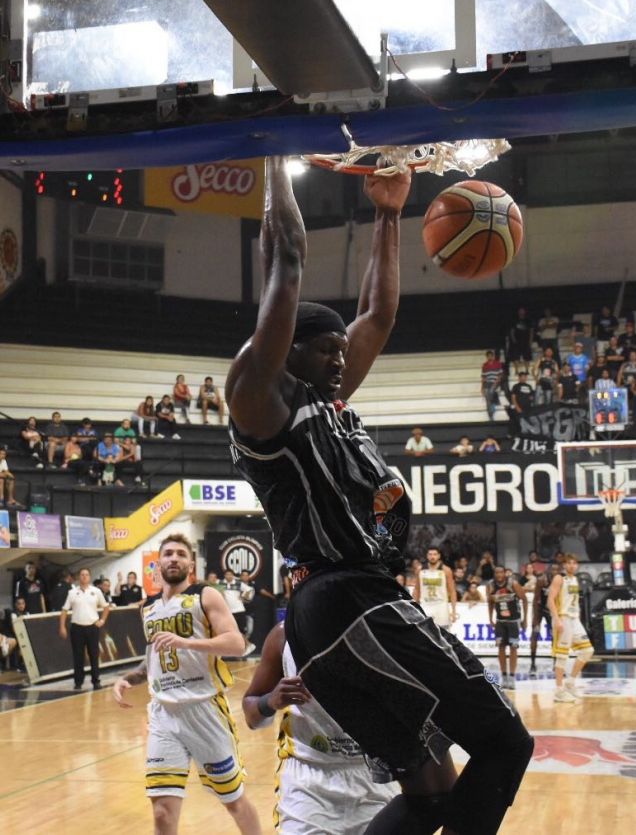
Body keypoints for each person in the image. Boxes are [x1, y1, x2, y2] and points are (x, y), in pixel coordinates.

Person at [226, 157, 531, 834]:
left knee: (431, 793)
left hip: (345, 605)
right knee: (506, 742)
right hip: (346, 598)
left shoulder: (329, 402)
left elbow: (379, 313)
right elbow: (286, 257)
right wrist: (276, 153)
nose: (341, 360)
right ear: (285, 351)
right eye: (326, 351)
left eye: (343, 351)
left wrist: (390, 213)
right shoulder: (262, 402)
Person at [111, 535, 262, 835]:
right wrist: (129, 678)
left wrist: (186, 642)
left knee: (233, 801)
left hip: (204, 710)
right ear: (159, 562)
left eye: (181, 554)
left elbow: (236, 643)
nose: (174, 558)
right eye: (168, 553)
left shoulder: (205, 595)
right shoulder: (148, 607)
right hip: (163, 714)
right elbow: (153, 657)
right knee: (162, 812)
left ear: (191, 564)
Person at [243, 623, 397, 834]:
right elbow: (251, 716)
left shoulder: (382, 627)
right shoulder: (283, 635)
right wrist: (269, 701)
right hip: (308, 776)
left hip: (374, 773)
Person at [548, 554, 593, 703]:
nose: (572, 565)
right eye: (569, 563)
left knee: (587, 650)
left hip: (574, 619)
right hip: (563, 618)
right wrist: (557, 619)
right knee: (562, 656)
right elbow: (550, 600)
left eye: (574, 563)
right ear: (564, 565)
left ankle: (570, 682)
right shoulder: (559, 578)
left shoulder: (575, 579)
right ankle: (558, 691)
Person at [59, 568, 110, 689]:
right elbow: (64, 610)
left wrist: (102, 620)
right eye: (82, 574)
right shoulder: (72, 592)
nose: (84, 576)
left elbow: (106, 607)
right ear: (79, 577)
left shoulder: (96, 591)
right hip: (77, 628)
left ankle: (96, 681)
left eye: (86, 574)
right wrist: (62, 626)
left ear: (90, 577)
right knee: (78, 656)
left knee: (94, 655)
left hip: (92, 627)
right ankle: (78, 682)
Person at [488, 565, 528, 690]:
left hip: (513, 621)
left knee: (513, 648)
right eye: (497, 572)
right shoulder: (491, 585)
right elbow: (490, 602)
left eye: (501, 572)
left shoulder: (513, 584)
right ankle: (504, 676)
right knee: (501, 648)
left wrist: (525, 619)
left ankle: (512, 677)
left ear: (505, 573)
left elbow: (525, 600)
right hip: (500, 621)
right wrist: (490, 618)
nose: (499, 575)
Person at [412, 547, 458, 629]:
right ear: (427, 556)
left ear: (439, 556)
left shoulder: (446, 570)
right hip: (425, 605)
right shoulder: (420, 570)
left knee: (443, 633)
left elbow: (452, 591)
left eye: (435, 554)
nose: (432, 556)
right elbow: (416, 590)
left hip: (441, 606)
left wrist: (454, 611)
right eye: (430, 554)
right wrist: (413, 608)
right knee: (425, 633)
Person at [530, 562, 560, 673]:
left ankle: (556, 663)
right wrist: (535, 617)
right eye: (553, 569)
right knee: (535, 634)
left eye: (557, 570)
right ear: (548, 570)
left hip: (552, 611)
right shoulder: (542, 580)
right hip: (540, 609)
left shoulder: (560, 581)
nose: (555, 572)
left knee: (555, 637)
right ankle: (533, 664)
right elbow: (535, 599)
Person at [220, 568, 255, 655]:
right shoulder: (220, 583)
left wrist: (244, 597)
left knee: (241, 630)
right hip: (228, 611)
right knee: (232, 631)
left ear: (233, 575)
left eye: (230, 574)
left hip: (239, 610)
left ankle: (246, 646)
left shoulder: (238, 583)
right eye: (227, 574)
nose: (229, 576)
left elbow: (250, 589)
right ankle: (246, 646)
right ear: (224, 575)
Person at [480, 350, 504, 421]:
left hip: (496, 382)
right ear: (486, 357)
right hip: (487, 383)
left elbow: (500, 375)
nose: (490, 357)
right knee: (487, 396)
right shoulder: (484, 365)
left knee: (490, 391)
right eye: (488, 356)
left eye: (491, 356)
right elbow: (484, 378)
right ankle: (490, 414)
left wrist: (495, 383)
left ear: (493, 356)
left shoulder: (498, 363)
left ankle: (493, 406)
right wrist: (482, 387)